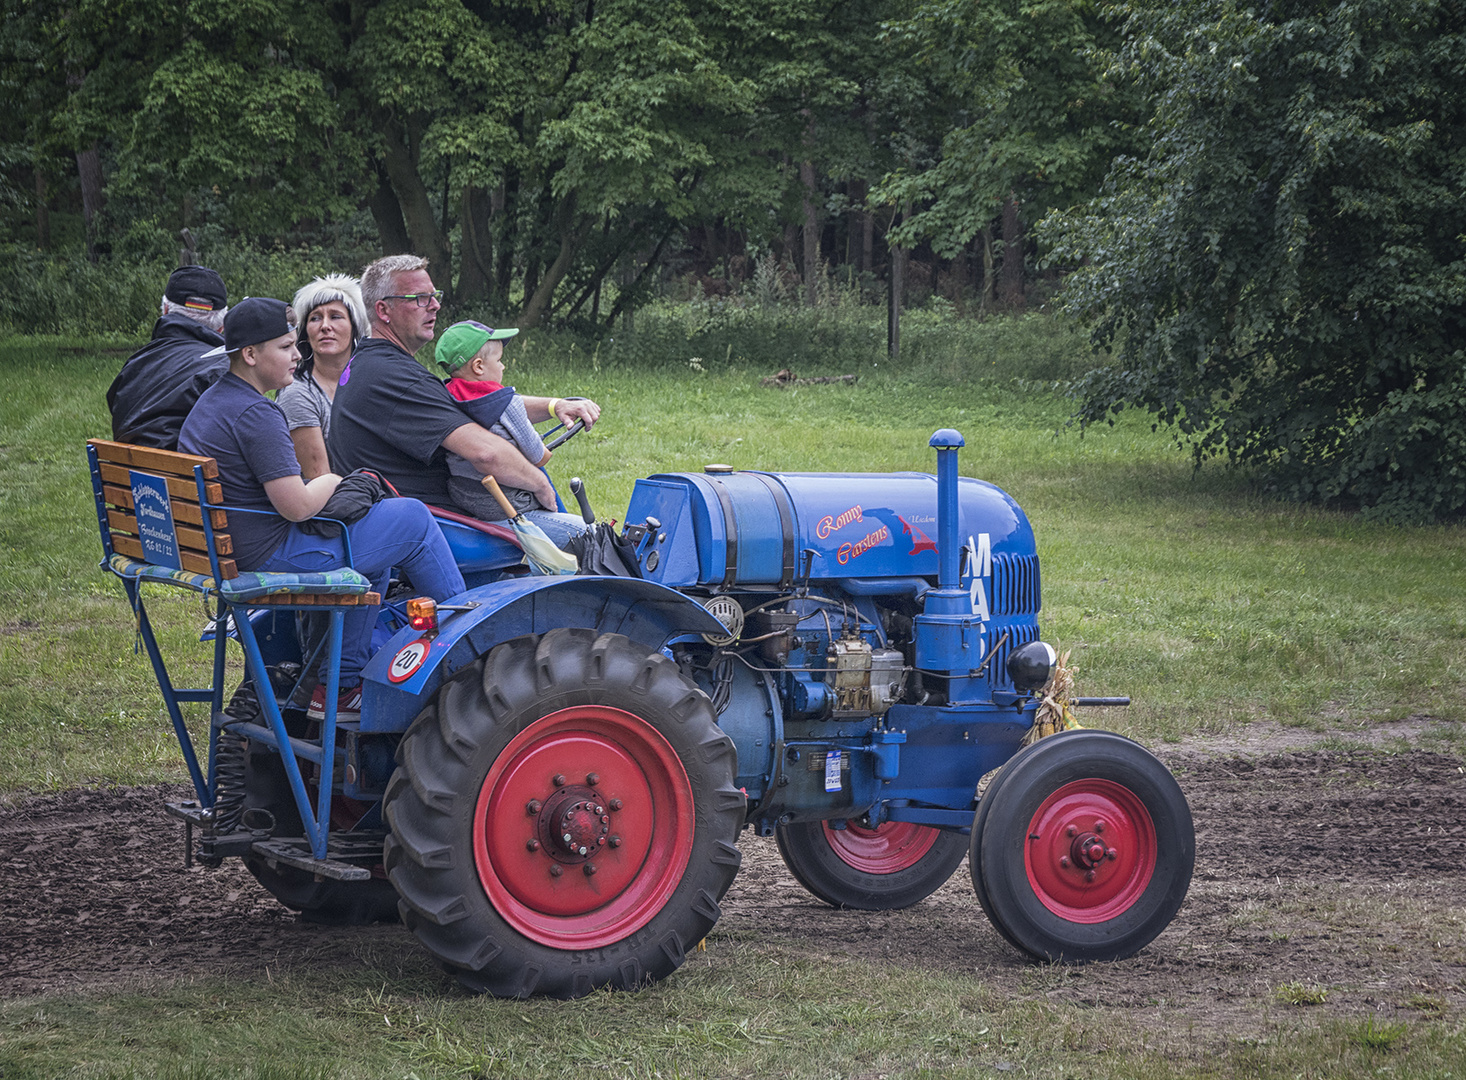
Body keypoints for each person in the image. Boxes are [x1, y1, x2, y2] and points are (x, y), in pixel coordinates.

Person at [178, 297, 465, 718]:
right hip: (271, 553)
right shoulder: (257, 414)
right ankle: (466, 645)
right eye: (285, 346)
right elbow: (296, 507)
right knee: (414, 520)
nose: (298, 354)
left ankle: (338, 686)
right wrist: (332, 481)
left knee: (379, 548)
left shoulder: (214, 402)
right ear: (250, 354)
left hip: (231, 547)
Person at [328, 254, 601, 517]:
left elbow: (481, 402)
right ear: (383, 310)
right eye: (421, 299)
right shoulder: (395, 378)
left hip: (408, 514)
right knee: (581, 541)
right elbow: (486, 453)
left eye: (435, 296)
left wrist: (556, 406)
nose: (435, 305)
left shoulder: (372, 362)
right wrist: (540, 484)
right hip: (444, 521)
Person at [436, 320, 590, 547]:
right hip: (507, 503)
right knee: (590, 536)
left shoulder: (444, 398)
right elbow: (537, 455)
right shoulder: (507, 403)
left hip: (466, 497)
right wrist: (542, 448)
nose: (503, 367)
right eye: (498, 361)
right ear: (479, 367)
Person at [107, 265, 230, 449]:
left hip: (129, 476)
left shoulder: (134, 364)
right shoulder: (227, 370)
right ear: (222, 324)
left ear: (165, 310)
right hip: (193, 476)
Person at [279, 274, 368, 479]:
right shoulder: (297, 393)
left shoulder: (370, 382)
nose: (325, 326)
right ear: (305, 334)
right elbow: (319, 477)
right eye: (315, 318)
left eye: (336, 316)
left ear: (354, 328)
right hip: (332, 502)